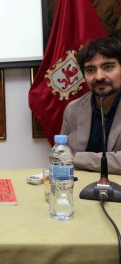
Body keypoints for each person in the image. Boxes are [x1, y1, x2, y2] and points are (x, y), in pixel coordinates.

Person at [61, 37, 121, 174]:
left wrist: (79, 158)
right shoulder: (73, 110)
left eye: (108, 67)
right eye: (90, 70)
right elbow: (62, 158)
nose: (99, 76)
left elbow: (70, 158)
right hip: (80, 191)